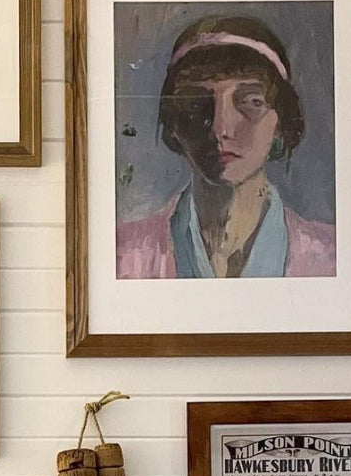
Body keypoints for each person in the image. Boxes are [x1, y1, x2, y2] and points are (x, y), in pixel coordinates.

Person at [116, 14, 335, 279]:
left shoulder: (331, 257)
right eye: (196, 104)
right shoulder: (123, 256)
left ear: (280, 123)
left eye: (251, 102)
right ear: (174, 123)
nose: (220, 129)